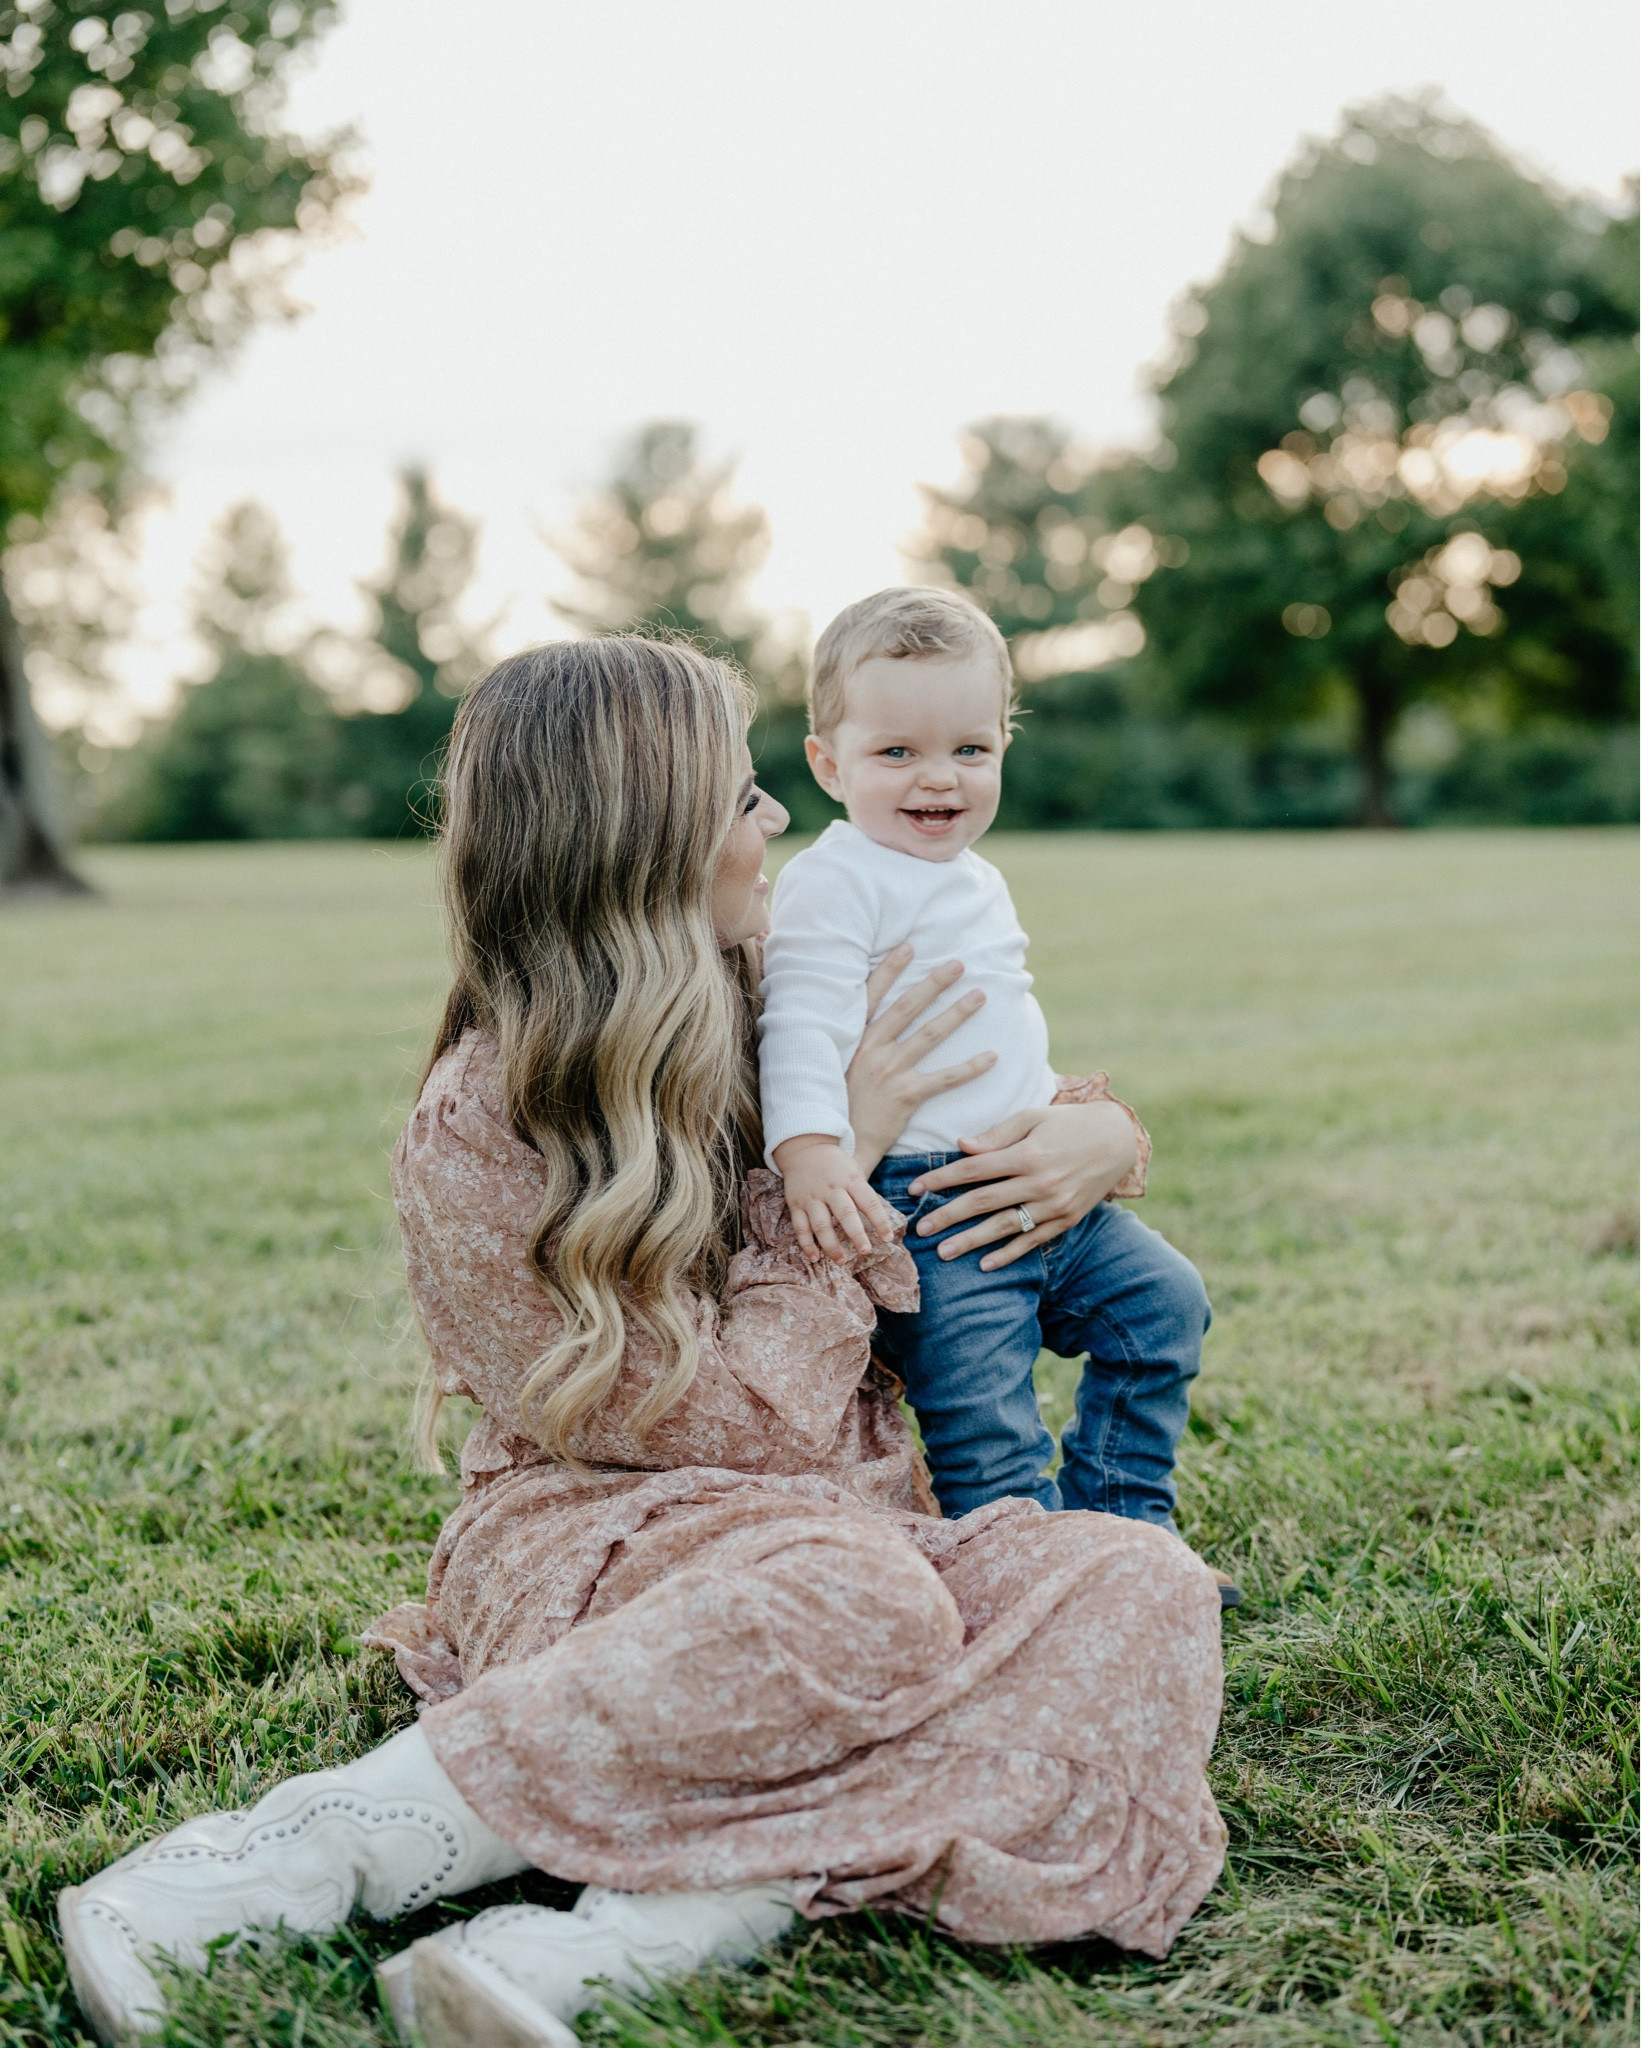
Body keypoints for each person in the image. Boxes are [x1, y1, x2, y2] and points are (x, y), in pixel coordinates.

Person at [58, 638, 1226, 2048]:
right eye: (742, 797)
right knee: (865, 1603)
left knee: (1142, 1581)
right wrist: (832, 1165)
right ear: (646, 835)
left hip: (848, 1524)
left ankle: (597, 1948)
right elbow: (729, 1431)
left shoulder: (776, 985)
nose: (779, 822)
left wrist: (1101, 1137)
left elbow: (984, 1088)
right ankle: (253, 1873)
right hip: (606, 1530)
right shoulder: (483, 1122)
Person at [761, 587, 1215, 1532]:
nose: (940, 779)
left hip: (1036, 1172)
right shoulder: (833, 880)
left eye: (970, 749)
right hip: (933, 1213)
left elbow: (999, 1029)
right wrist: (810, 1152)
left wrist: (1070, 1116)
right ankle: (1023, 1573)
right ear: (827, 764)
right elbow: (798, 1023)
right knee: (986, 1424)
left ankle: (1129, 1526)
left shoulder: (978, 877)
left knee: (1163, 1306)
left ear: (1004, 746)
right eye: (897, 753)